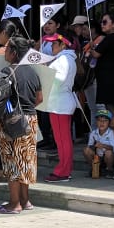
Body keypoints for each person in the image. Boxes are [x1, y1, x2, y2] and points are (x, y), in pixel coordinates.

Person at [0, 37, 42, 214]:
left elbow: (2, 98)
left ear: (14, 53)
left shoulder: (7, 72)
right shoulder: (33, 72)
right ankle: (25, 200)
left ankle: (14, 204)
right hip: (31, 120)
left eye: (7, 49)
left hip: (12, 122)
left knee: (12, 161)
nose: (4, 52)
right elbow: (39, 98)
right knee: (25, 161)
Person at [42, 28, 79, 182]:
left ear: (63, 45)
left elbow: (59, 79)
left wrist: (44, 73)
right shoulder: (66, 58)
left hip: (59, 104)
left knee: (62, 140)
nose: (51, 46)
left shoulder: (63, 59)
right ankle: (64, 169)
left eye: (54, 44)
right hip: (61, 102)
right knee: (63, 139)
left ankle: (63, 171)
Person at [87, 11, 114, 114]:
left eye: (105, 22)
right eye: (101, 22)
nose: (102, 24)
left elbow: (96, 54)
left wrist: (91, 48)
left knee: (110, 106)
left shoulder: (110, 38)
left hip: (109, 77)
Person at [84, 107, 114, 176]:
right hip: (98, 157)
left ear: (109, 123)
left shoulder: (111, 132)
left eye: (105, 121)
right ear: (96, 122)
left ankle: (109, 169)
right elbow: (89, 147)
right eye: (99, 120)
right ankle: (95, 168)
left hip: (109, 158)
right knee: (86, 150)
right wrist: (94, 146)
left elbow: (113, 148)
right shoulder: (93, 133)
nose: (102, 123)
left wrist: (102, 145)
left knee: (108, 153)